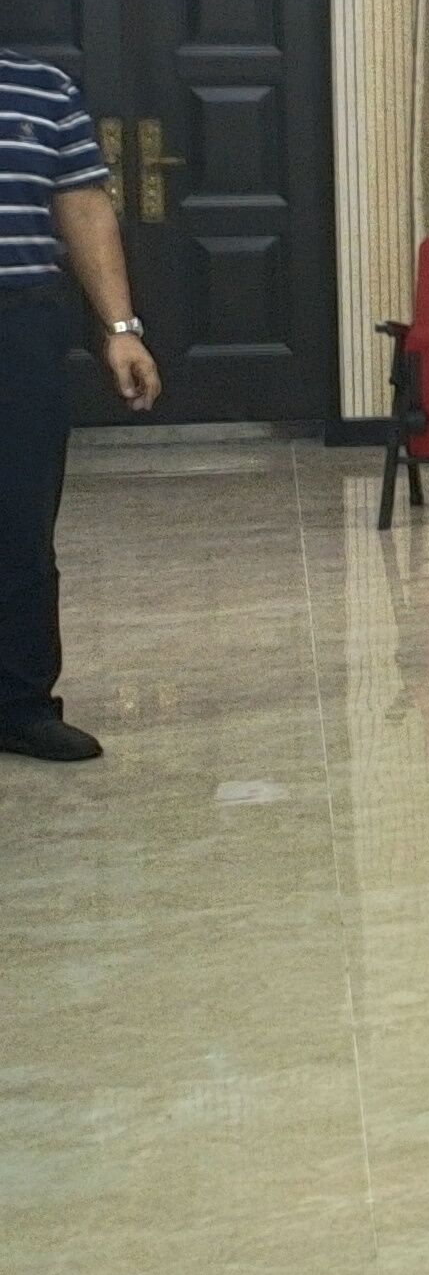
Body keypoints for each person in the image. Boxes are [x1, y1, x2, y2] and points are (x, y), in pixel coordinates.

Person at [1, 53, 162, 764]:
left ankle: (20, 706)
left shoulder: (42, 86)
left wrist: (121, 328)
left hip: (19, 325)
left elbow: (84, 206)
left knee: (20, 523)